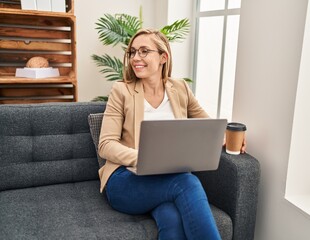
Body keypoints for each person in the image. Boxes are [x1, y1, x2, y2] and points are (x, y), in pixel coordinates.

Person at [98, 28, 245, 240]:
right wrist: (145, 159)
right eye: (132, 52)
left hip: (164, 180)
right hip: (125, 179)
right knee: (187, 182)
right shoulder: (122, 91)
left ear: (163, 57)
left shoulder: (180, 88)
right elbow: (106, 144)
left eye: (144, 51)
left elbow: (210, 125)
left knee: (172, 221)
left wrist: (232, 134)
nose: (136, 58)